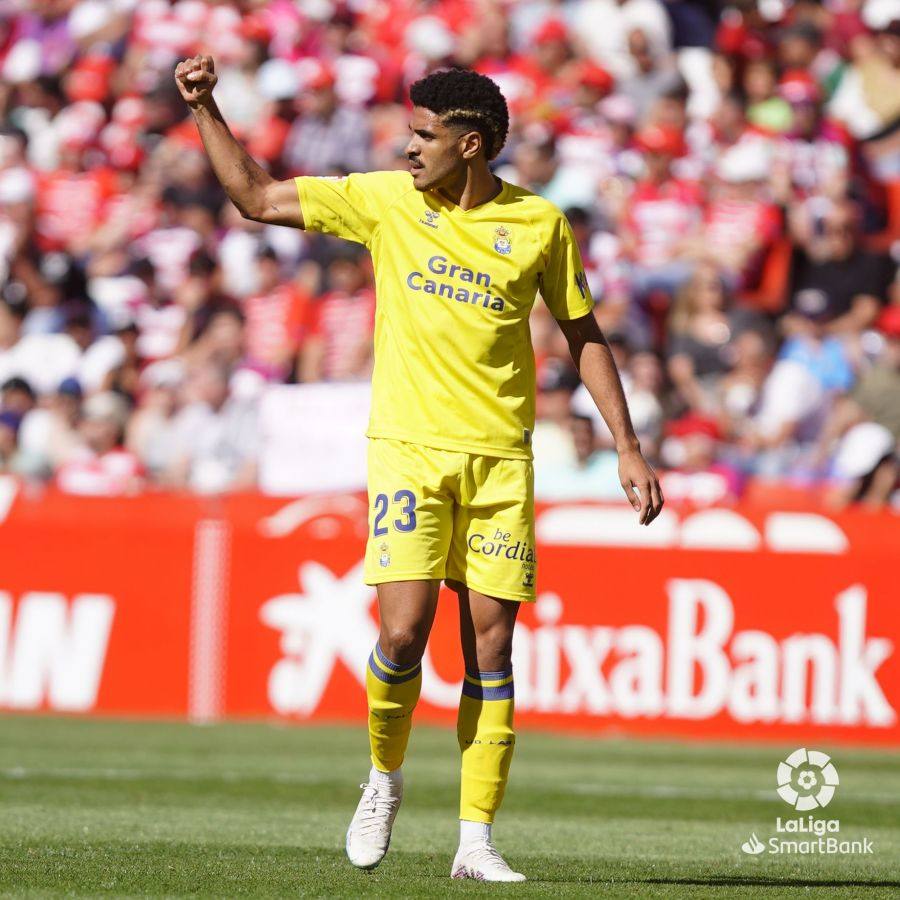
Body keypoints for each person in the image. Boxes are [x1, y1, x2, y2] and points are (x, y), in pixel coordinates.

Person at [175, 56, 663, 883]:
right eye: (410, 132)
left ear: (469, 144)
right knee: (402, 633)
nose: (408, 147)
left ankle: (475, 842)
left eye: (424, 135)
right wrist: (205, 108)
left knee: (491, 650)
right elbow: (256, 198)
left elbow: (583, 334)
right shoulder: (386, 201)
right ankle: (383, 779)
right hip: (407, 451)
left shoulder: (539, 224)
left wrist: (626, 443)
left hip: (500, 463)